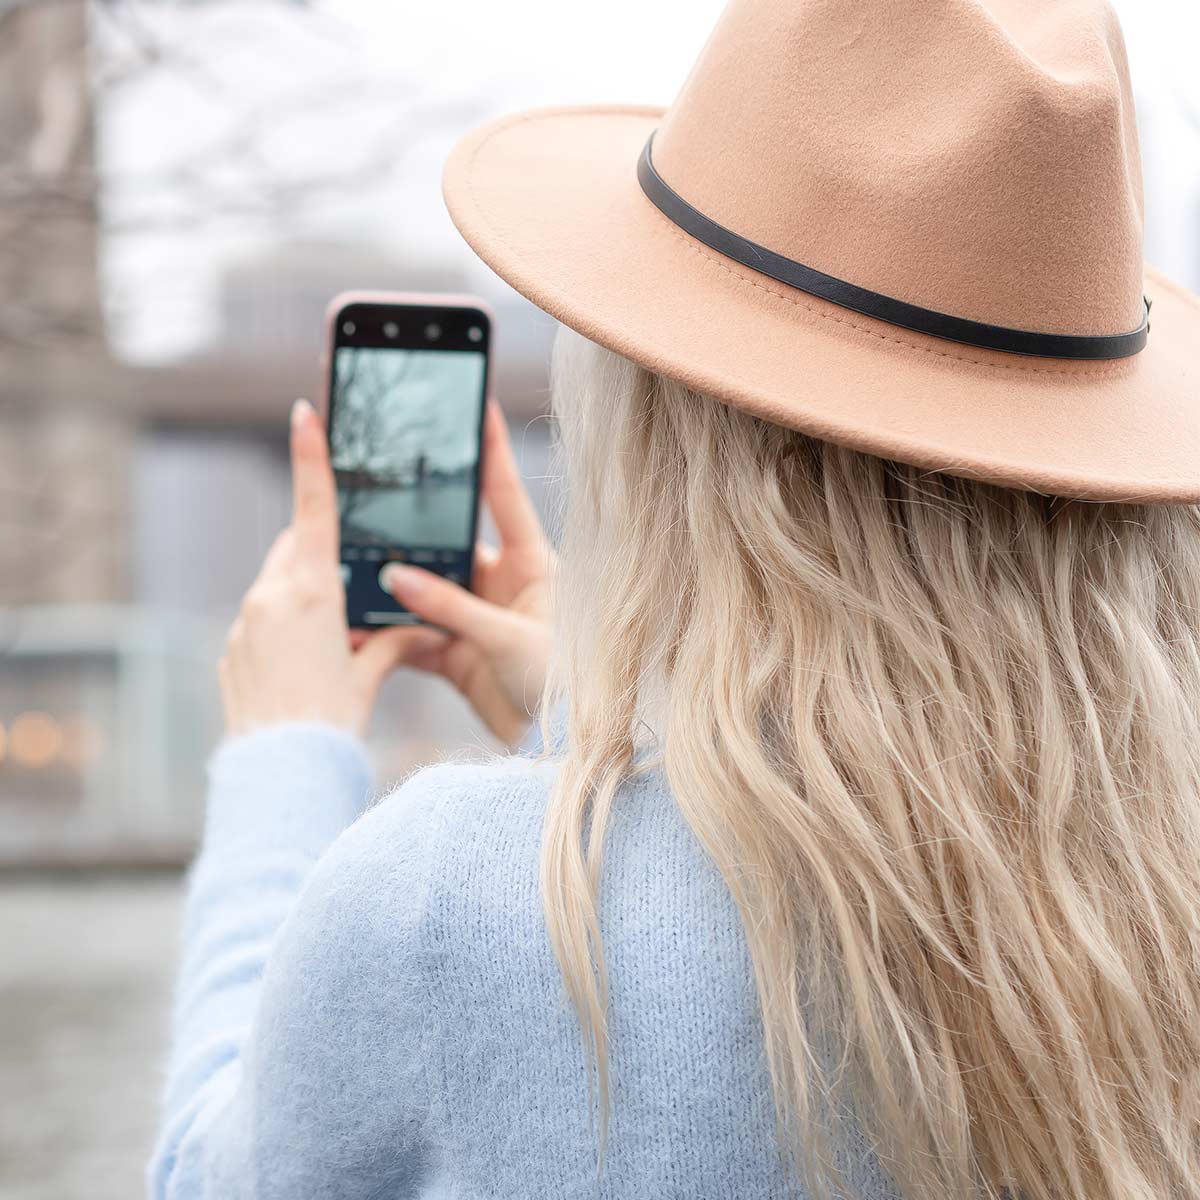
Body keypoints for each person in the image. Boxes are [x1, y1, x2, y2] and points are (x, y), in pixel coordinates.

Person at [148, 1, 1200, 1198]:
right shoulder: (1154, 907)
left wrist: (283, 758)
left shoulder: (448, 904)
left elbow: (206, 1178)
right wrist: (602, 714)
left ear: (659, 425)